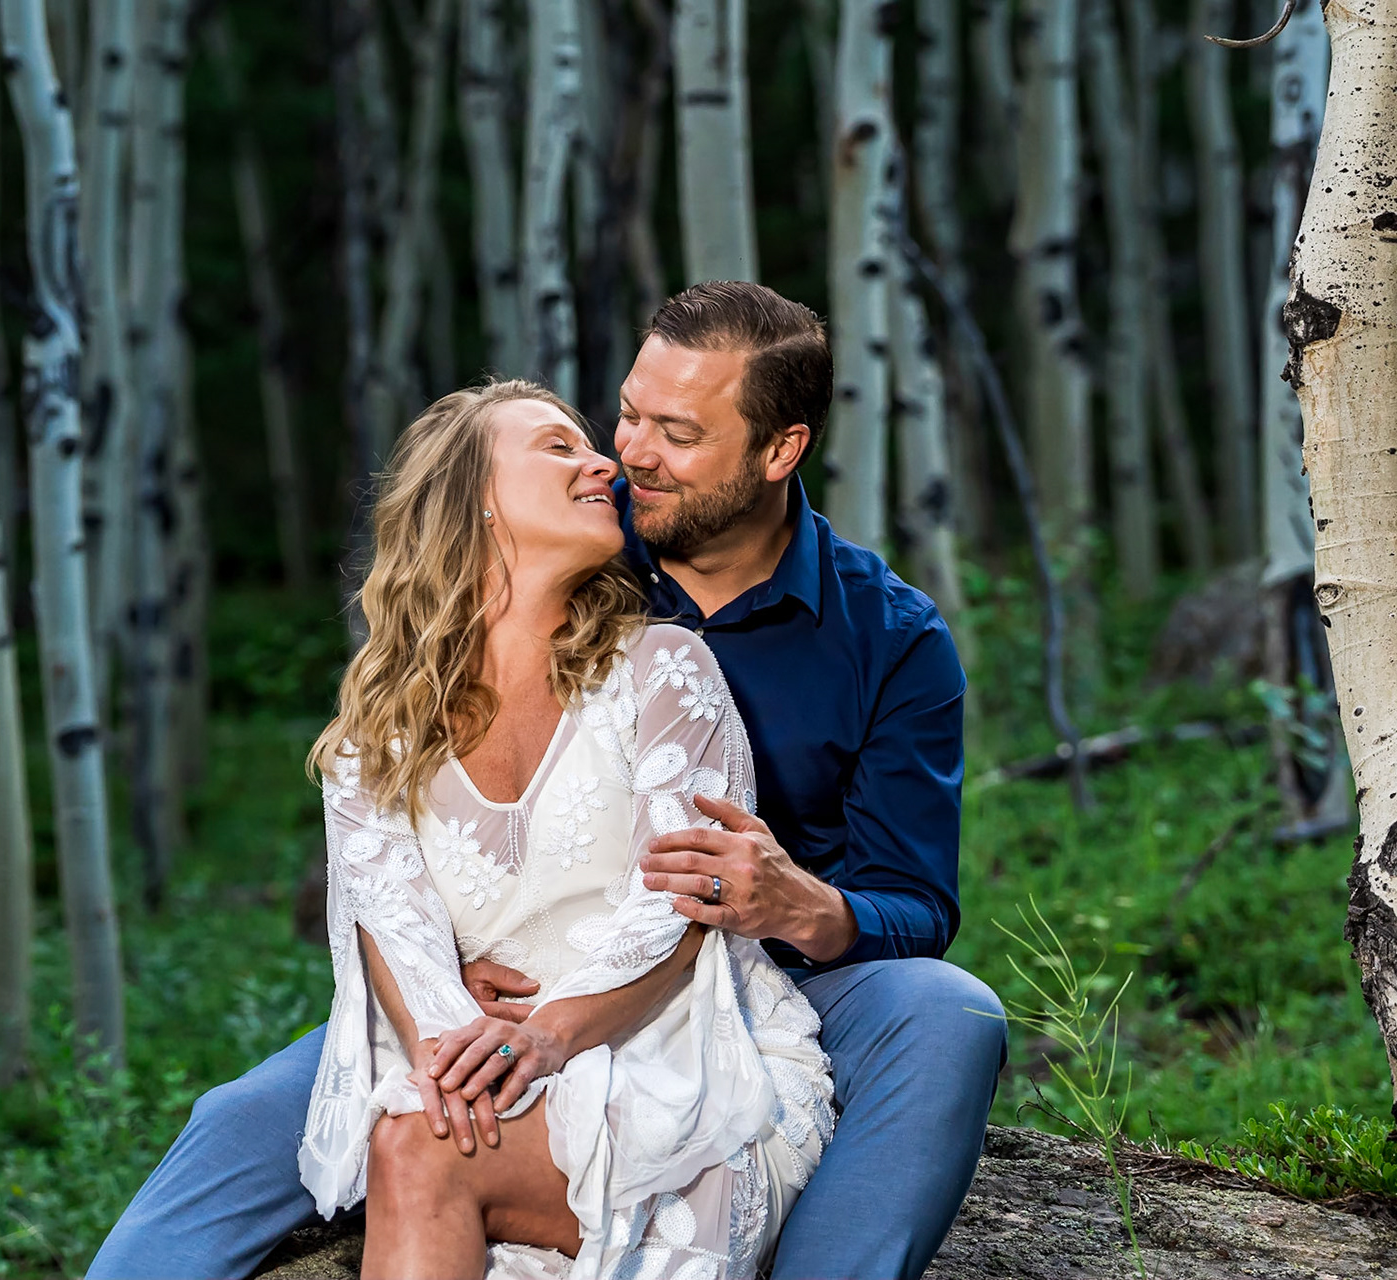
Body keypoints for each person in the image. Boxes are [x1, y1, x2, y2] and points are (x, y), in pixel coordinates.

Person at [89, 282, 1005, 1280]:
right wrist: (452, 967)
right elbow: (410, 794)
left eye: (680, 433)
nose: (629, 455)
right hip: (516, 981)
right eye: (628, 413)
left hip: (767, 973)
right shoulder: (579, 525)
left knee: (950, 1016)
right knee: (246, 1119)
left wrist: (804, 904)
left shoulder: (889, 635)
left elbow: (914, 900)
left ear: (778, 450)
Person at [300, 380, 833, 1277]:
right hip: (509, 1082)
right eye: (558, 447)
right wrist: (465, 1059)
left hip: (688, 1069)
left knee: (416, 1146)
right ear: (469, 498)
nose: (604, 461)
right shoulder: (373, 737)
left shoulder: (663, 670)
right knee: (419, 1131)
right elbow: (396, 936)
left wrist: (544, 1034)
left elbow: (680, 904)